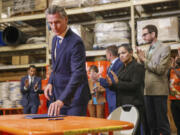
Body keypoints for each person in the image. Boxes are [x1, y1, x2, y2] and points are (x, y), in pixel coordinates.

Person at [44, 5, 90, 116]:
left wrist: (62, 99)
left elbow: (77, 74)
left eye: (57, 22)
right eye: (50, 23)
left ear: (66, 19)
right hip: (59, 95)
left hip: (75, 97)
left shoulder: (75, 42)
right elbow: (55, 67)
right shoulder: (55, 39)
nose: (54, 27)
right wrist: (50, 83)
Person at [137, 24, 171, 135]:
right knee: (152, 124)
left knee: (162, 123)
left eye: (145, 34)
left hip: (158, 91)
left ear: (153, 34)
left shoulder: (164, 48)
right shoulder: (148, 50)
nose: (143, 37)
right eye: (142, 35)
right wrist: (140, 60)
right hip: (148, 91)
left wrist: (144, 60)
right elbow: (144, 68)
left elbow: (160, 69)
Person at [106, 44, 145, 135]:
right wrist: (111, 84)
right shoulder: (121, 68)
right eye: (119, 54)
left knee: (134, 131)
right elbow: (118, 86)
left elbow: (134, 85)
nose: (121, 56)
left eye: (123, 53)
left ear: (131, 53)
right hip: (122, 105)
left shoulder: (137, 67)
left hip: (134, 105)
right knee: (124, 132)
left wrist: (118, 83)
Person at [99, 45, 122, 114]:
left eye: (106, 54)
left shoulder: (119, 64)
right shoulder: (110, 65)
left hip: (115, 97)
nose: (106, 56)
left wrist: (98, 79)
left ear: (110, 54)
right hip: (111, 97)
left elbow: (111, 82)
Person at [168, 55, 180, 135]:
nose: (177, 59)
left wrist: (173, 68)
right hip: (173, 99)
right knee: (177, 122)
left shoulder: (175, 70)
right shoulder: (171, 70)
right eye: (177, 57)